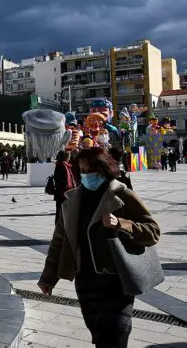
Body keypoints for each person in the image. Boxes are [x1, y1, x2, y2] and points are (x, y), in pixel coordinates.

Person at [38, 147, 160, 348]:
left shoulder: (122, 195)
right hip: (86, 282)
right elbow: (59, 242)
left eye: (91, 169)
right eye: (82, 170)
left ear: (104, 168)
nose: (87, 175)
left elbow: (153, 231)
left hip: (117, 282)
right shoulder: (71, 201)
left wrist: (122, 223)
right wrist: (48, 278)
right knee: (99, 334)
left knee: (116, 331)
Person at [53, 151, 76, 224]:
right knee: (61, 211)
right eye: (68, 157)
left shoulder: (61, 165)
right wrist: (66, 183)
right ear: (65, 157)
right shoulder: (62, 166)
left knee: (60, 210)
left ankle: (59, 224)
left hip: (61, 192)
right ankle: (59, 225)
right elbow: (59, 179)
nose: (69, 158)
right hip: (63, 193)